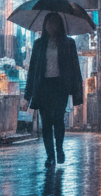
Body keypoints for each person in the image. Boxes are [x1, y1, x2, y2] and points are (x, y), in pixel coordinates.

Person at [25, 12, 84, 166]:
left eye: (54, 23)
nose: (51, 26)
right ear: (45, 25)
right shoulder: (39, 44)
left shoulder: (68, 43)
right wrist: (28, 94)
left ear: (60, 25)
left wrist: (77, 92)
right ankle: (50, 156)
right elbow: (33, 70)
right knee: (45, 123)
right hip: (43, 86)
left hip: (60, 87)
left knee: (58, 119)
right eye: (48, 23)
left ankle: (59, 149)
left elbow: (75, 68)